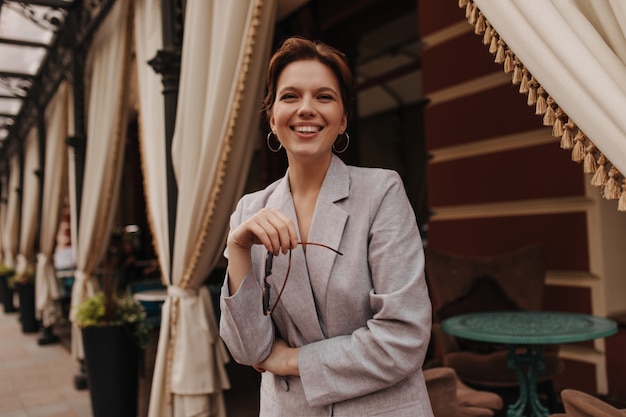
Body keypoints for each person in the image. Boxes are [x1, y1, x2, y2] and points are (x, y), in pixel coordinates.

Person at [219, 36, 434, 417]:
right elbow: (249, 350)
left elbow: (404, 338)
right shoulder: (250, 212)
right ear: (272, 117)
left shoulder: (380, 192)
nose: (306, 109)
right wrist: (236, 248)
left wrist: (291, 361)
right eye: (290, 97)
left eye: (323, 97)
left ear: (343, 118)